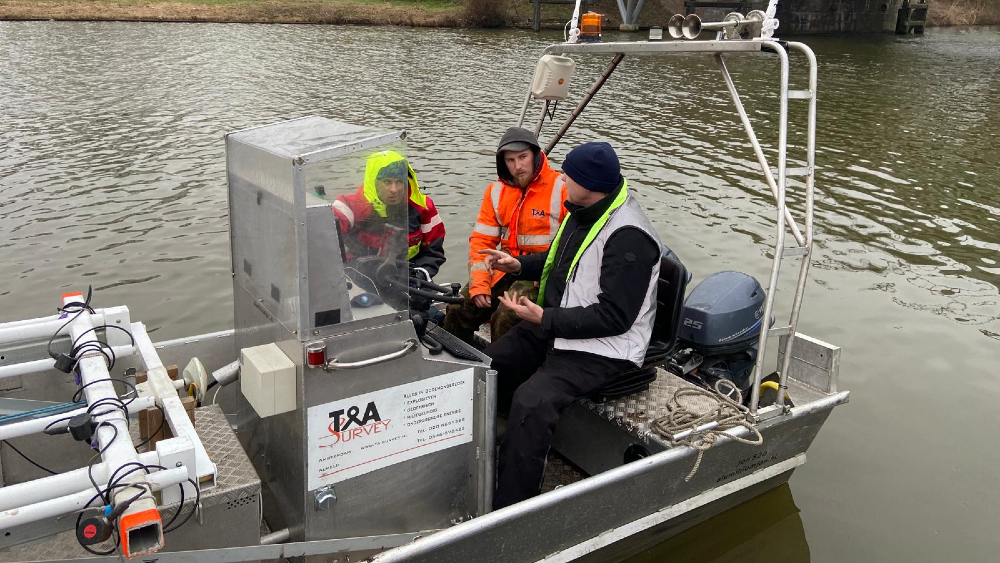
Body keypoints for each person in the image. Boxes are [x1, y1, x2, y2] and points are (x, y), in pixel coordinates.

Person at [480, 141, 662, 509]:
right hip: (563, 324)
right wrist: (517, 265)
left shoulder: (629, 238)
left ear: (591, 184)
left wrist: (545, 318)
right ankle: (491, 448)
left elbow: (615, 318)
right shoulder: (583, 211)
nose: (561, 177)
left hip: (605, 347)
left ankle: (511, 507)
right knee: (490, 365)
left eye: (570, 175)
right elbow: (559, 260)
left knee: (532, 402)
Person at [443, 127, 566, 344]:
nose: (518, 166)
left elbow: (572, 242)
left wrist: (550, 275)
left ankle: (503, 372)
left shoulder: (562, 187)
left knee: (505, 316)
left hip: (540, 271)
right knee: (456, 307)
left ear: (535, 155)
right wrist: (480, 284)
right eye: (510, 160)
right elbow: (482, 241)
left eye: (523, 157)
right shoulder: (495, 191)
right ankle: (458, 364)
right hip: (506, 264)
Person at [331, 150, 446, 284]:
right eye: (387, 182)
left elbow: (434, 252)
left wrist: (420, 275)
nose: (394, 189)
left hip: (408, 277)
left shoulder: (423, 207)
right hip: (361, 277)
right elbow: (323, 240)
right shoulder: (350, 205)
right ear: (374, 183)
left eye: (399, 182)